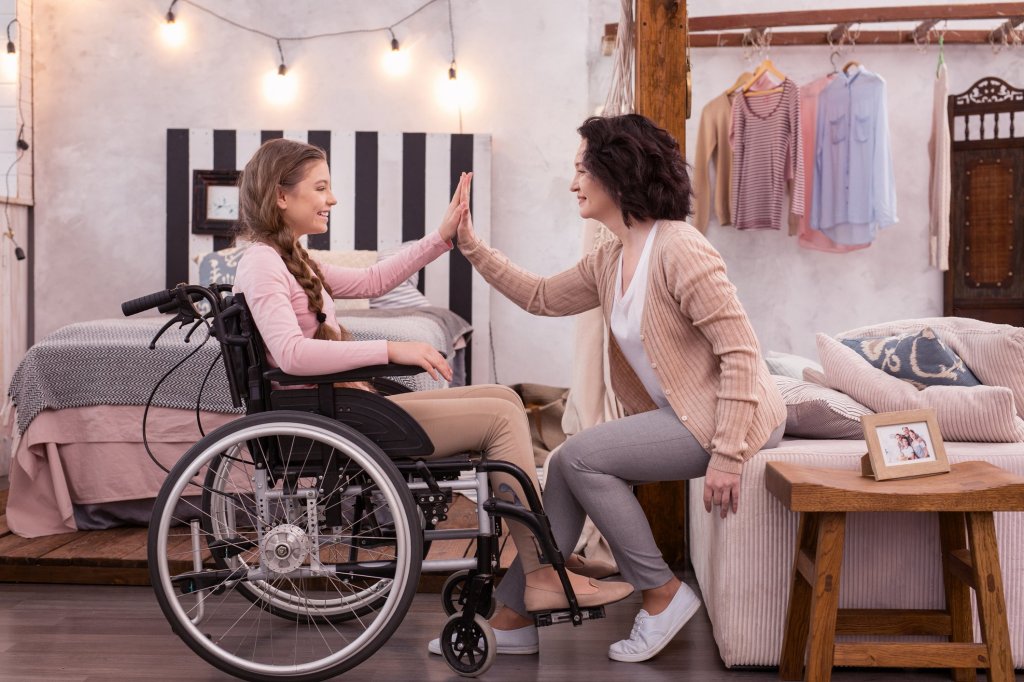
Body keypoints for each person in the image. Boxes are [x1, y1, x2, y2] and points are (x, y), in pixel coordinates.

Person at [230, 138, 633, 632]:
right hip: (329, 417)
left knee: (504, 397)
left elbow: (375, 281)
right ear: (280, 196)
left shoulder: (288, 256)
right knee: (503, 416)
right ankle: (541, 571)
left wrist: (443, 237)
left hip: (341, 408)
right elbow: (291, 353)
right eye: (321, 187)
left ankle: (541, 564)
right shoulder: (262, 262)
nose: (331, 199)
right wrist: (392, 349)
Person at [450, 114, 786, 663]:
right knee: (565, 463)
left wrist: (726, 455)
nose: (573, 182)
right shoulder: (612, 257)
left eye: (582, 169)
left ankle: (661, 594)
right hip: (685, 414)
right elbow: (539, 295)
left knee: (578, 456)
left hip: (734, 420)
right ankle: (513, 617)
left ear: (618, 172)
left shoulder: (680, 248)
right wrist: (470, 245)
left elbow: (741, 352)